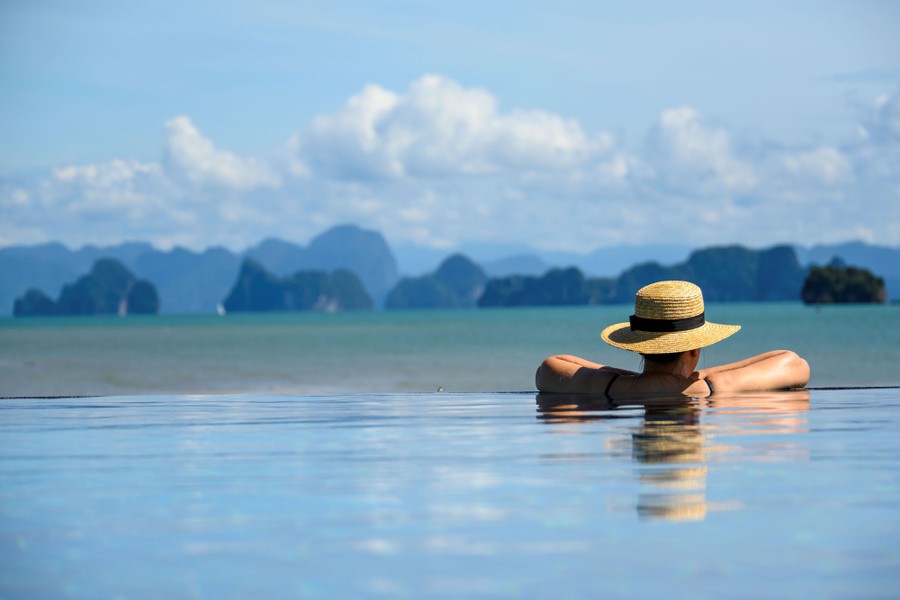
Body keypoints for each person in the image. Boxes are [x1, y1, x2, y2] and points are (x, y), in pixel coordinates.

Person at [535, 280, 809, 398]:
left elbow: (551, 365)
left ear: (639, 348)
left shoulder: (609, 387)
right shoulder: (712, 387)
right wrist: (702, 376)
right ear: (695, 349)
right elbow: (793, 362)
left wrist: (631, 380)